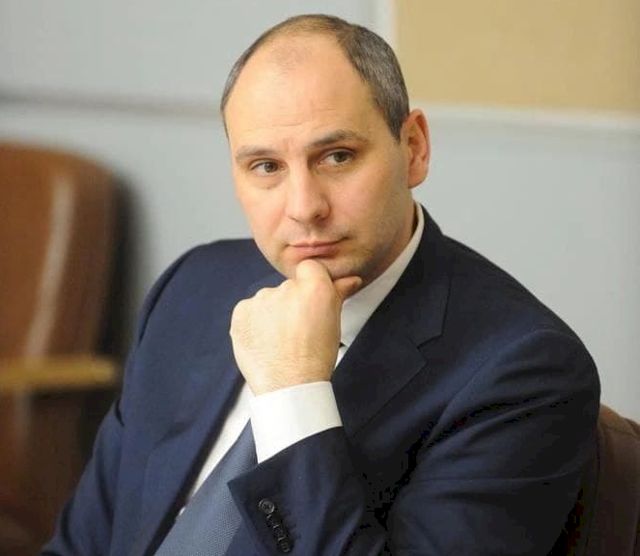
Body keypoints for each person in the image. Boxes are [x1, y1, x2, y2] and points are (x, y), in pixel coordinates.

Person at [43, 14, 600, 556]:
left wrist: (293, 393)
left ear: (414, 149)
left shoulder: (525, 371)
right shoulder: (193, 288)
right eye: (266, 167)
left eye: (337, 157)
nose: (304, 207)